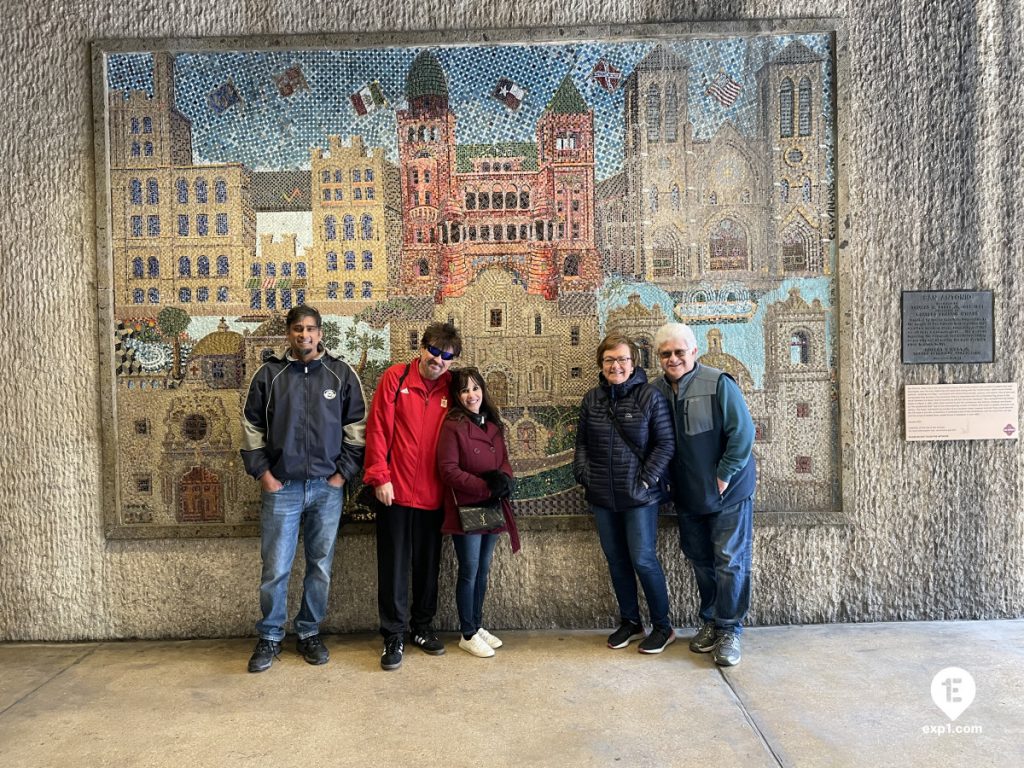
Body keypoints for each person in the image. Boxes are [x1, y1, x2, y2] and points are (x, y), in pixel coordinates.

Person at [240, 305, 367, 673]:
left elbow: (357, 429)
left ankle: (309, 632)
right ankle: (271, 636)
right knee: (276, 568)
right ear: (289, 334)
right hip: (283, 488)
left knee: (320, 567)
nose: (305, 335)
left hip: (327, 489)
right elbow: (250, 428)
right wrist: (265, 476)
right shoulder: (269, 375)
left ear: (321, 333)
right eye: (298, 329)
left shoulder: (340, 375)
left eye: (311, 329)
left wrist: (341, 475)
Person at [651, 322, 756, 667]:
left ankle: (730, 629)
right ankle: (710, 620)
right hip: (688, 494)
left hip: (728, 492)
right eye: (666, 353)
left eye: (680, 352)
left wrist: (724, 475)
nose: (673, 358)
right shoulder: (656, 392)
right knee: (700, 559)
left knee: (729, 560)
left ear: (694, 352)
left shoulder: (718, 383)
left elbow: (742, 433)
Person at [363, 321, 462, 670]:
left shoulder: (454, 387)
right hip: (395, 491)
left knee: (428, 566)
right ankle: (393, 634)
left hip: (434, 496)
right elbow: (378, 427)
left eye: (447, 356)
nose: (438, 359)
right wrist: (379, 477)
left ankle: (422, 626)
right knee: (393, 566)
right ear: (422, 348)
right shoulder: (397, 377)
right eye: (433, 351)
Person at [573, 333, 677, 654]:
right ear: (601, 365)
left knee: (643, 559)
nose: (616, 365)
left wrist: (645, 481)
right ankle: (631, 621)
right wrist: (585, 476)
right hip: (603, 496)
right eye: (609, 360)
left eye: (622, 359)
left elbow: (665, 444)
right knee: (616, 560)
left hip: (639, 498)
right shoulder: (592, 399)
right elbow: (582, 445)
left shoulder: (649, 397)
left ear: (633, 363)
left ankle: (662, 626)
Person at [437, 367, 521, 658]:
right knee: (469, 570)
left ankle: (477, 623)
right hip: (468, 507)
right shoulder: (453, 426)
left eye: (475, 388)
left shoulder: (493, 425)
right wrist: (486, 487)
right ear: (457, 397)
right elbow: (448, 470)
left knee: (483, 570)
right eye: (464, 390)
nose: (471, 395)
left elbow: (505, 461)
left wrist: (505, 480)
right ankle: (467, 632)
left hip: (493, 507)